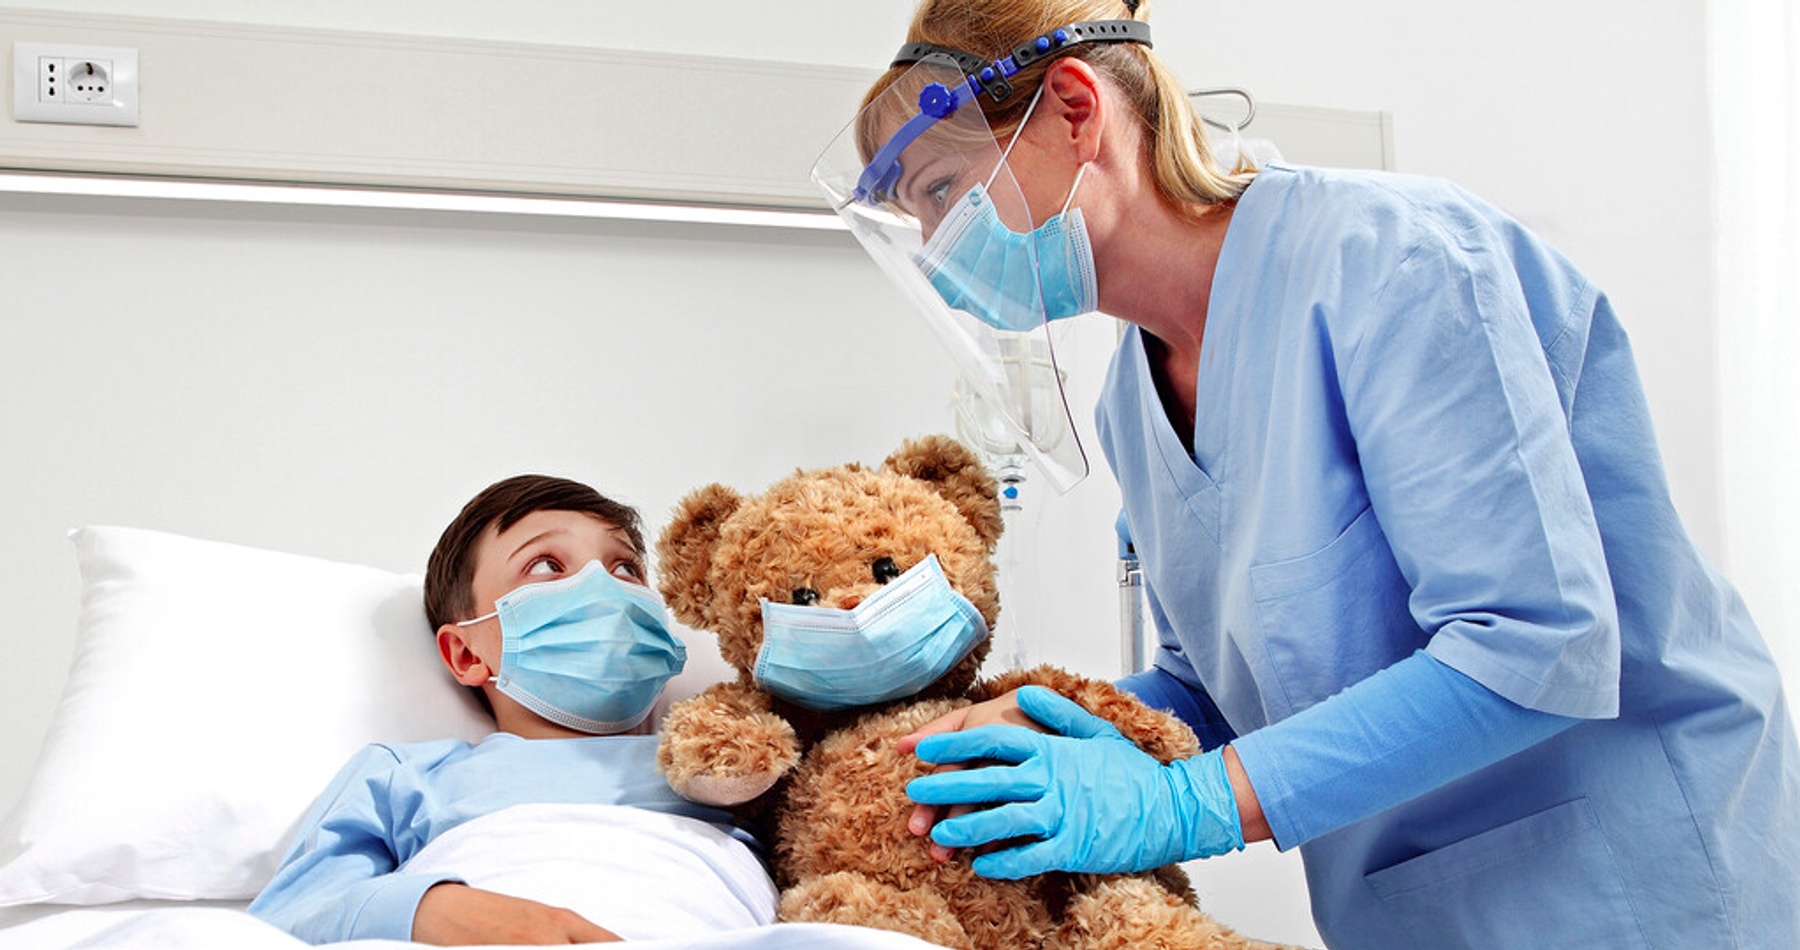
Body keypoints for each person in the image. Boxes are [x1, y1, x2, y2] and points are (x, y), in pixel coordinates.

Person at [808, 1, 1800, 947]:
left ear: (1075, 110)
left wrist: (1183, 805)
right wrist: (1073, 718)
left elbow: (1536, 644)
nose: (935, 249)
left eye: (940, 191)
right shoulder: (1132, 402)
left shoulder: (1393, 264)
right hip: (1406, 909)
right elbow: (1215, 688)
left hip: (1628, 881)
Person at [249, 475, 776, 945]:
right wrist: (436, 908)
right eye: (546, 565)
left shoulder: (744, 764)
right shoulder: (407, 777)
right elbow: (293, 911)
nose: (604, 588)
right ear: (466, 653)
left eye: (626, 568)